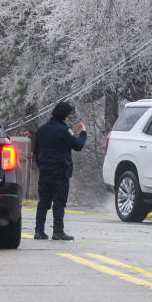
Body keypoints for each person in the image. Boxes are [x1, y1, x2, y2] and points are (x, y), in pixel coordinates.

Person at [33, 101, 87, 240]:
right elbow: (78, 145)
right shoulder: (64, 130)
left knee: (43, 201)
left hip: (45, 171)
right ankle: (58, 232)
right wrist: (83, 133)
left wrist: (42, 165)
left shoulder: (42, 130)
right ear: (65, 116)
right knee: (59, 201)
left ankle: (39, 231)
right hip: (60, 171)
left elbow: (36, 152)